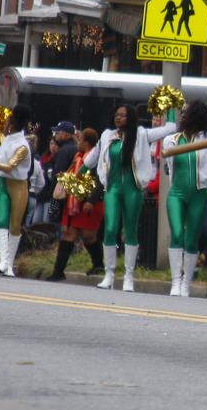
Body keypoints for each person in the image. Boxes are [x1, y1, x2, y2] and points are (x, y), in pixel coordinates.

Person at [84, 104, 176, 291]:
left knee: (131, 230)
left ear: (131, 118)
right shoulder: (107, 135)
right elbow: (91, 159)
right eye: (117, 115)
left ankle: (128, 276)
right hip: (113, 189)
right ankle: (109, 274)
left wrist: (170, 105)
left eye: (123, 115)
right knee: (109, 229)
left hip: (132, 189)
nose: (118, 118)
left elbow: (171, 128)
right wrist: (73, 176)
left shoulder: (141, 135)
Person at [163, 101, 207, 297]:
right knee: (177, 234)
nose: (182, 115)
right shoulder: (170, 140)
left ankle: (186, 282)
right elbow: (169, 167)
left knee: (192, 239)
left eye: (187, 113)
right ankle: (175, 282)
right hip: (176, 194)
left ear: (198, 117)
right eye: (182, 112)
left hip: (198, 195)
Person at [48, 128, 104, 282]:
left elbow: (100, 180)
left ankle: (99, 264)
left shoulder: (95, 159)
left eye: (80, 140)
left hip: (89, 202)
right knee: (69, 234)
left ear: (86, 142)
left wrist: (91, 200)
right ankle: (58, 272)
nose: (77, 143)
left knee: (88, 235)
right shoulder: (77, 157)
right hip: (74, 202)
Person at [0, 105, 33, 277]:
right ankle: (3, 261)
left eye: (8, 121)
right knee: (2, 220)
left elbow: (9, 166)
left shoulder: (23, 146)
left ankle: (9, 264)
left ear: (13, 124)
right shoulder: (6, 139)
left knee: (14, 224)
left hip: (18, 186)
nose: (6, 124)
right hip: (2, 184)